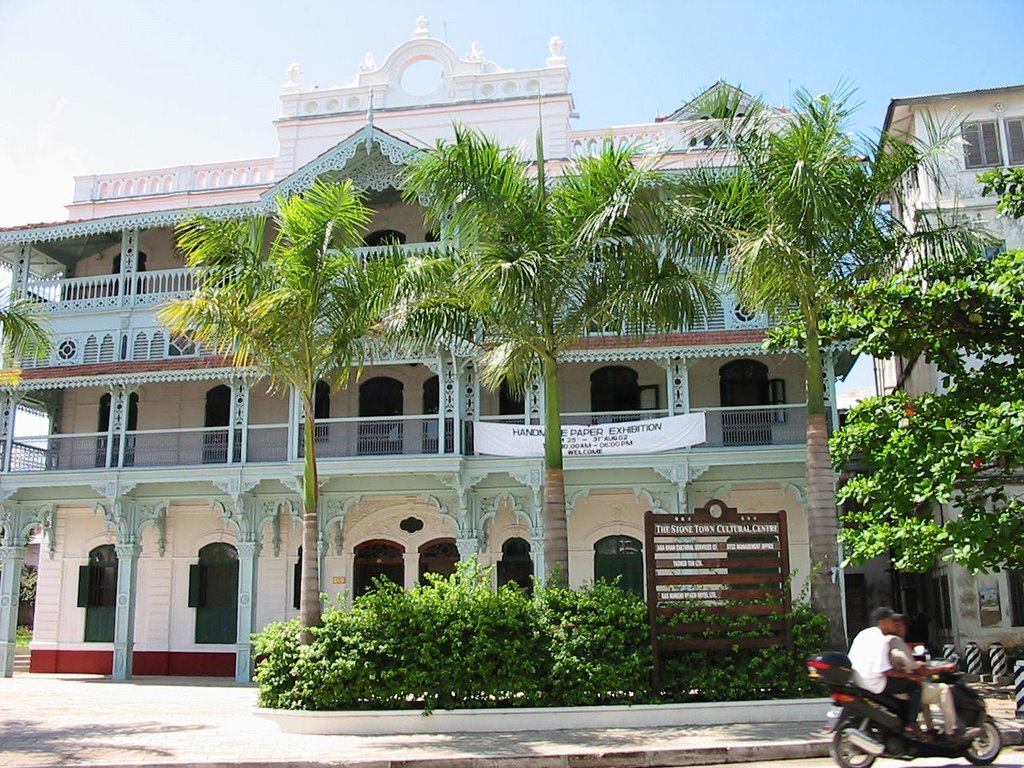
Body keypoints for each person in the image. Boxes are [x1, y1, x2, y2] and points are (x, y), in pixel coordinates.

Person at [848, 606, 922, 734]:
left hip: (858, 681)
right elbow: (885, 671)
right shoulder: (881, 641)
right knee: (915, 685)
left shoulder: (864, 634)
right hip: (874, 683)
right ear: (882, 622)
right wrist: (910, 676)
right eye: (891, 620)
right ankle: (911, 723)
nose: (895, 623)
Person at [888, 613, 958, 740]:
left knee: (924, 688)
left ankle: (930, 728)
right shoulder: (897, 643)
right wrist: (944, 668)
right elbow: (920, 671)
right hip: (902, 687)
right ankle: (950, 731)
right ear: (899, 626)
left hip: (892, 685)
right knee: (943, 689)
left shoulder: (887, 641)